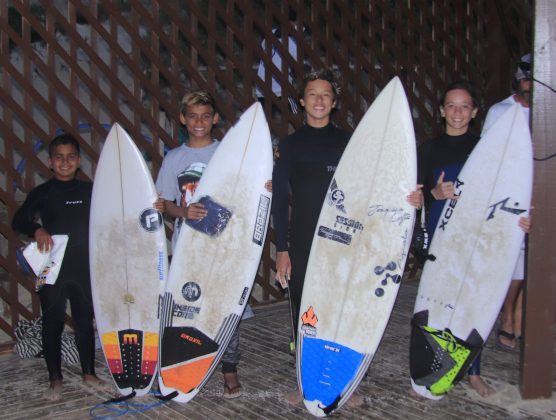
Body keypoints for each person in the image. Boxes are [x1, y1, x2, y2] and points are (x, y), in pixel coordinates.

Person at [272, 68, 422, 405]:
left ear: (335, 102)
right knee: (304, 314)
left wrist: (409, 198)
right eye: (312, 94)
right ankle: (303, 382)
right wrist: (282, 248)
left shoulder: (351, 143)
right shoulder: (290, 145)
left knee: (344, 308)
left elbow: (380, 184)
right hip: (305, 242)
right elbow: (280, 200)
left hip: (346, 242)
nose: (319, 100)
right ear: (301, 101)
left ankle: (347, 383)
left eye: (326, 94)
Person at [156, 90, 269, 399]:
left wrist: (266, 183)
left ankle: (229, 371)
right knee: (186, 307)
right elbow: (164, 202)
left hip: (226, 247)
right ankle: (181, 365)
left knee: (225, 307)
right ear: (182, 118)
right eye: (192, 116)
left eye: (206, 115)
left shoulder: (229, 153)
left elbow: (250, 192)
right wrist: (183, 212)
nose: (199, 122)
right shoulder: (174, 158)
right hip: (187, 250)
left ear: (215, 118)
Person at [11, 134, 108, 401]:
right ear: (51, 162)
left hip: (84, 266)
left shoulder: (91, 191)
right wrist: (38, 228)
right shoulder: (42, 193)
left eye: (71, 157)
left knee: (84, 321)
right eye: (59, 157)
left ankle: (89, 373)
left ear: (78, 161)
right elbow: (18, 222)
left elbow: (113, 214)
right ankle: (55, 379)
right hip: (52, 267)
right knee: (52, 321)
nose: (65, 162)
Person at [482, 54, 532, 352]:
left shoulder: (548, 110)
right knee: (512, 263)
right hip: (508, 196)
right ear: (518, 80)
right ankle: (507, 313)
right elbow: (488, 157)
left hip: (540, 194)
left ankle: (520, 316)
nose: (530, 86)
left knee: (531, 264)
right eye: (526, 79)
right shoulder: (500, 111)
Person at [256, 9, 300, 114]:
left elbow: (263, 46)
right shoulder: (294, 41)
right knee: (297, 117)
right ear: (291, 23)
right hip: (281, 88)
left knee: (266, 123)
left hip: (262, 88)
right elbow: (296, 64)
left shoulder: (271, 34)